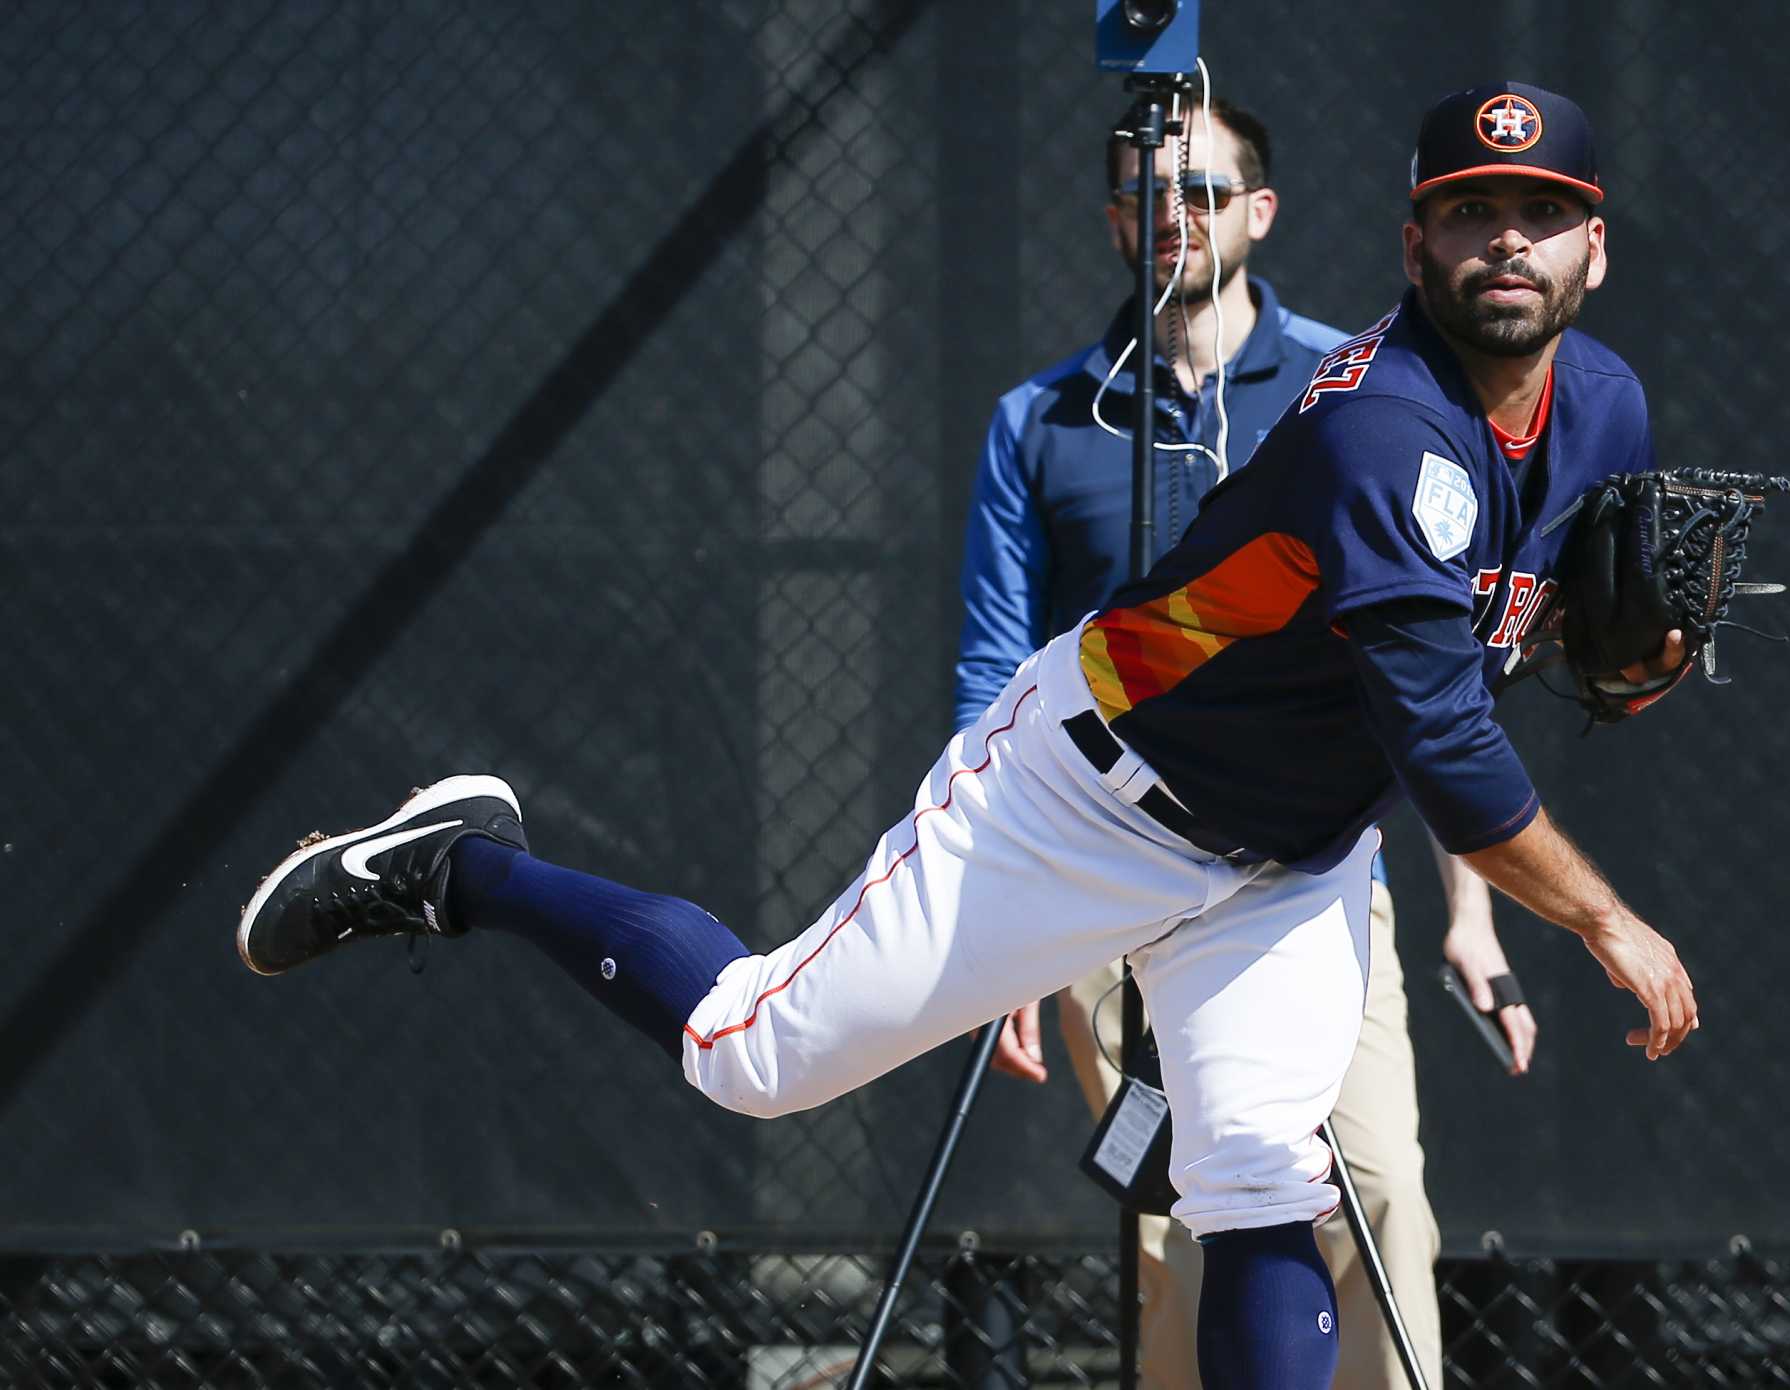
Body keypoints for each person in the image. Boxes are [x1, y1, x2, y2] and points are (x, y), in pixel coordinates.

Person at [237, 82, 1698, 1390]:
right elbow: (1445, 744)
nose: (1509, 241)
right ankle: (461, 865)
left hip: (1288, 856)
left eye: (1543, 214)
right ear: (1413, 245)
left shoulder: (1604, 403)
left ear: (1596, 250)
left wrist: (1612, 640)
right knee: (754, 1054)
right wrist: (1605, 918)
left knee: (1262, 1173)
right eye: (1472, 212)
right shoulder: (1384, 428)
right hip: (1093, 796)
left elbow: (1541, 611)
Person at [952, 94, 1535, 1390]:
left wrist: (1474, 911)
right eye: (1145, 195)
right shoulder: (1038, 424)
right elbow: (993, 672)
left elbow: (1442, 669)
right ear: (1111, 219)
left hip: (1315, 869)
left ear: (1260, 213)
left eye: (1204, 193)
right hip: (1108, 878)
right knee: (1183, 1224)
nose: (1174, 216)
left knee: (1380, 1194)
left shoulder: (1364, 393)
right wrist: (996, 930)